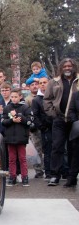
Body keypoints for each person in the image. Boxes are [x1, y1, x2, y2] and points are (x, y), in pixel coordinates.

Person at [44, 58, 79, 186]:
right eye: (65, 66)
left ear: (74, 67)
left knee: (73, 149)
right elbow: (47, 99)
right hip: (59, 119)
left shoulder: (78, 80)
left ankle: (71, 175)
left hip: (74, 121)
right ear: (61, 68)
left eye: (70, 66)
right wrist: (53, 114)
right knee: (57, 147)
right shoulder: (54, 82)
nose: (67, 68)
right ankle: (55, 175)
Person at [1, 88, 33, 187]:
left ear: (20, 97)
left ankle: (25, 177)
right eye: (12, 97)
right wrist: (12, 120)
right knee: (11, 159)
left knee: (22, 158)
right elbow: (3, 121)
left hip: (21, 138)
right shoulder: (7, 108)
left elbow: (29, 121)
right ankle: (12, 177)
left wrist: (20, 117)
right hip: (10, 138)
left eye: (16, 97)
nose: (14, 99)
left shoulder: (25, 107)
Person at [32, 77, 52, 180]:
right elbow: (35, 115)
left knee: (56, 149)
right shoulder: (36, 100)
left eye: (45, 82)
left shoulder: (53, 95)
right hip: (43, 129)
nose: (43, 84)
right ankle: (44, 171)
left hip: (55, 127)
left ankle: (58, 170)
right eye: (41, 83)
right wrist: (42, 126)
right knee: (43, 151)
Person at [25, 80, 44, 178]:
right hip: (34, 128)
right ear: (29, 87)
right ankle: (38, 169)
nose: (35, 86)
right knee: (37, 149)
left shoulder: (45, 96)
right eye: (32, 85)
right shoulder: (28, 99)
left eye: (36, 84)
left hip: (44, 126)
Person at [66, 87, 79, 187]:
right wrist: (76, 121)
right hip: (78, 129)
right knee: (75, 156)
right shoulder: (75, 95)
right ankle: (72, 178)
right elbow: (71, 111)